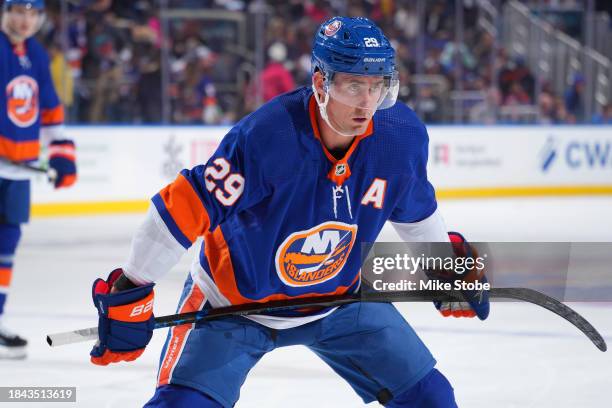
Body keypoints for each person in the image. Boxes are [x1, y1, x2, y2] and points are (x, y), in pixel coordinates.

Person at [89, 17, 488, 407]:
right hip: (233, 306)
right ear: (320, 83)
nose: (368, 102)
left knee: (432, 399)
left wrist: (444, 269)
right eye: (353, 85)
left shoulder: (399, 138)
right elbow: (185, 206)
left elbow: (414, 213)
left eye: (377, 85)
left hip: (340, 304)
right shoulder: (269, 136)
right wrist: (132, 287)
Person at [0, 0, 77, 359]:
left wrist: (61, 153)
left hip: (17, 170)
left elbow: (48, 109)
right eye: (18, 11)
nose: (25, 20)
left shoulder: (37, 54)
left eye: (32, 13)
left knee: (7, 245)